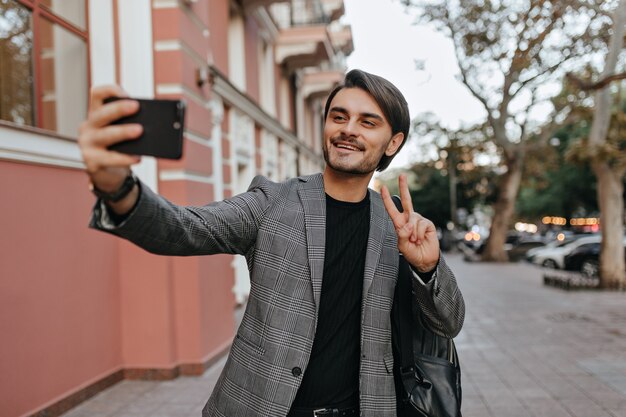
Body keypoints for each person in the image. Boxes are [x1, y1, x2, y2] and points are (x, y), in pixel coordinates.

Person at [78, 69, 465, 417]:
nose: (349, 130)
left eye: (368, 122)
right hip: (262, 406)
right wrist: (118, 189)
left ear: (392, 142)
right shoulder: (272, 201)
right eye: (339, 117)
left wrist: (427, 268)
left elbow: (449, 322)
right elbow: (184, 228)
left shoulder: (401, 226)